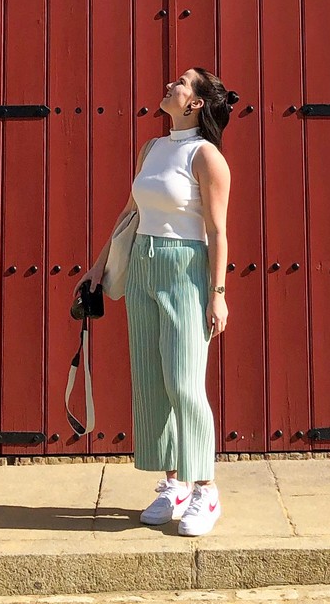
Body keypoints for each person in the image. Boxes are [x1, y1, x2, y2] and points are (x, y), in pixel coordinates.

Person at [77, 67, 237, 537]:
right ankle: (174, 484)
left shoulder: (206, 156)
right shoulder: (152, 148)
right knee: (150, 377)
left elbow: (218, 231)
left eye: (184, 83)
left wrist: (218, 294)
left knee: (184, 380)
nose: (172, 83)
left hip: (185, 268)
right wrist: (97, 267)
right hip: (143, 264)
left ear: (196, 104)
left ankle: (205, 488)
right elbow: (130, 213)